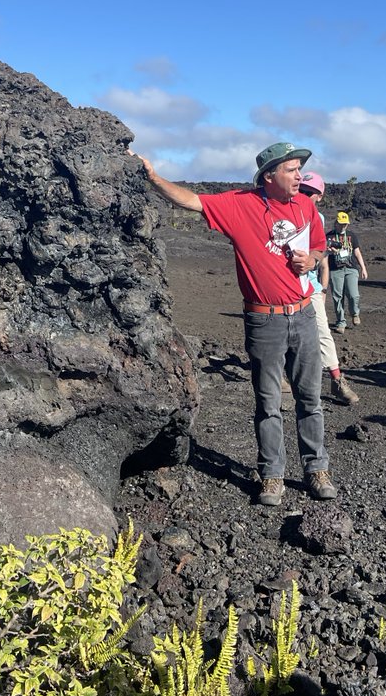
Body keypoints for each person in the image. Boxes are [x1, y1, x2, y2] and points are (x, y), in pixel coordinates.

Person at [133, 142, 338, 506]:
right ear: (269, 175)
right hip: (264, 319)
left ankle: (316, 468)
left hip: (304, 313)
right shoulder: (241, 204)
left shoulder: (305, 204)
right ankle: (272, 475)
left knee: (310, 398)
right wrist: (152, 177)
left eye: (299, 169)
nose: (299, 176)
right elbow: (191, 200)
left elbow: (320, 245)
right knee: (268, 401)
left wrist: (313, 259)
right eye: (291, 170)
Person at [298, 172, 360, 405]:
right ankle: (283, 379)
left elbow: (320, 254)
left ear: (319, 196)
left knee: (323, 331)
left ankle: (336, 380)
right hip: (286, 284)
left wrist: (322, 288)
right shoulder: (283, 210)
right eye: (301, 190)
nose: (303, 195)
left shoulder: (319, 219)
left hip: (309, 284)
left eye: (308, 192)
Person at [327, 211, 368, 330]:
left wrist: (363, 268)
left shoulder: (352, 236)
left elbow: (357, 252)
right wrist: (330, 251)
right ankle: (341, 322)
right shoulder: (328, 236)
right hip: (335, 269)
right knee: (337, 296)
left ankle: (355, 313)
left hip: (351, 268)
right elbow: (322, 253)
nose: (343, 226)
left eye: (345, 224)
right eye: (341, 224)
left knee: (353, 294)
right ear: (336, 223)